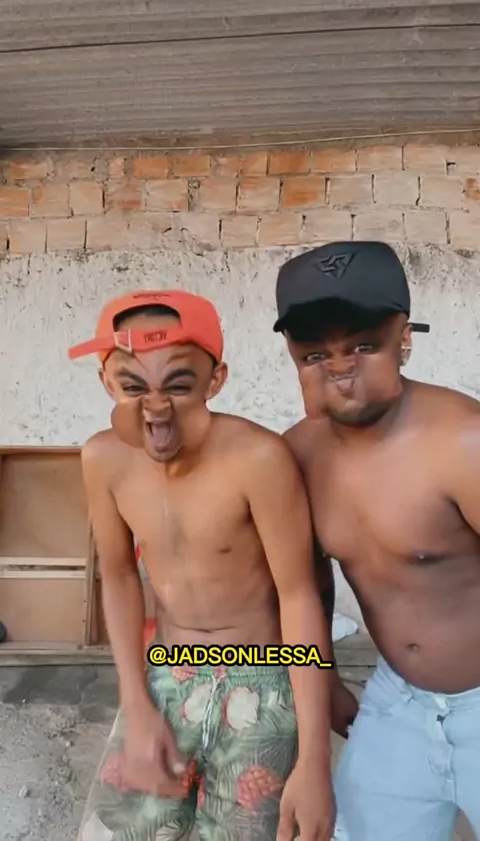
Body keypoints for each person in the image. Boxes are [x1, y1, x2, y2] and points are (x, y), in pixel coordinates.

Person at [68, 289, 334, 841]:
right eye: (132, 386)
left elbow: (299, 594)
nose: (155, 409)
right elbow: (118, 575)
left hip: (264, 679)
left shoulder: (258, 458)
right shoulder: (103, 459)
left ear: (216, 380)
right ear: (105, 383)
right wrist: (136, 699)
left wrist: (314, 757)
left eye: (178, 385)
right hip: (167, 674)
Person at [274, 241, 480, 841]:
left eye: (363, 345)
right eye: (316, 353)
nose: (340, 367)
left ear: (403, 339)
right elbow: (306, 594)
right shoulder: (295, 457)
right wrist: (324, 684)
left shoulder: (462, 443)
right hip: (398, 702)